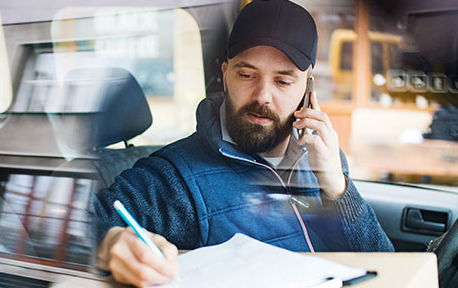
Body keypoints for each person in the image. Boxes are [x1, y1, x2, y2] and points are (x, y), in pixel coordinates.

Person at [89, 0, 393, 286]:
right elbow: (72, 227)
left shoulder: (323, 159)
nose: (262, 96)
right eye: (247, 75)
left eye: (283, 81)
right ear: (225, 76)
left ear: (307, 89)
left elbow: (388, 269)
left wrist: (338, 188)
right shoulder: (173, 178)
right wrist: (108, 243)